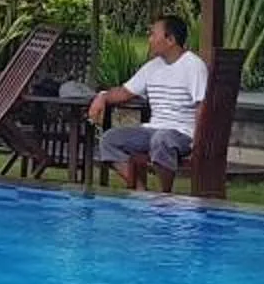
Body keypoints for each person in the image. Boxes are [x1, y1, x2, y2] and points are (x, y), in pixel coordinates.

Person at [88, 15, 210, 192]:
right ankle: (141, 191)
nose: (149, 40)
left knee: (161, 140)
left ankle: (164, 195)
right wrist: (102, 97)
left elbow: (202, 106)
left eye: (153, 35)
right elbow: (124, 92)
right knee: (109, 139)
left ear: (170, 40)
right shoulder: (152, 67)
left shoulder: (193, 66)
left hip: (183, 134)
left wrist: (200, 141)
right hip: (152, 130)